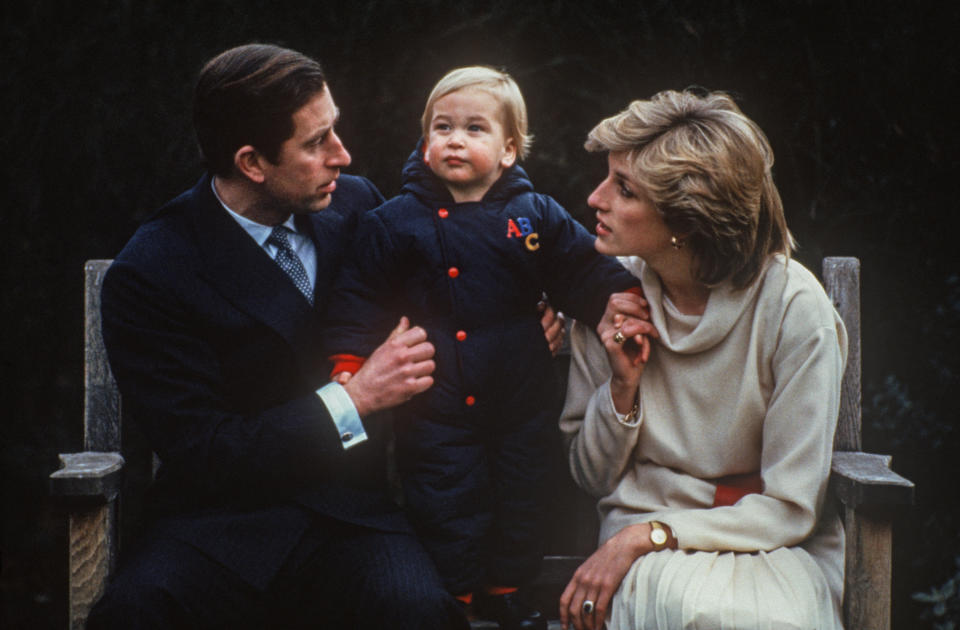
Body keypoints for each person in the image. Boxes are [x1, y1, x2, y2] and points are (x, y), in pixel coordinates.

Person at [88, 44, 563, 630]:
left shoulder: (357, 205)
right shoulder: (155, 270)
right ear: (252, 162)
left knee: (420, 613)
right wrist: (354, 399)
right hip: (216, 527)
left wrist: (517, 320)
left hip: (353, 517)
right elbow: (204, 451)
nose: (344, 155)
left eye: (333, 130)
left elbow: (450, 274)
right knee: (132, 616)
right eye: (316, 143)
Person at [323, 66, 640, 630]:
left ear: (509, 150)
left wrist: (616, 299)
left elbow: (579, 269)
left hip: (520, 401)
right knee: (446, 504)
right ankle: (457, 601)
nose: (455, 139)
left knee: (522, 501)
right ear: (424, 144)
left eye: (475, 128)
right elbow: (358, 298)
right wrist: (350, 363)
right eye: (441, 128)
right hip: (437, 408)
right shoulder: (395, 222)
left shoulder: (532, 215)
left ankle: (507, 592)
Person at [556, 89, 848, 630]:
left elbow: (791, 505)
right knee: (697, 614)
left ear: (685, 222)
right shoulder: (609, 297)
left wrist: (652, 533)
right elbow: (591, 477)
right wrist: (621, 392)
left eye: (624, 189)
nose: (595, 199)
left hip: (771, 547)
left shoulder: (793, 309)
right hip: (644, 547)